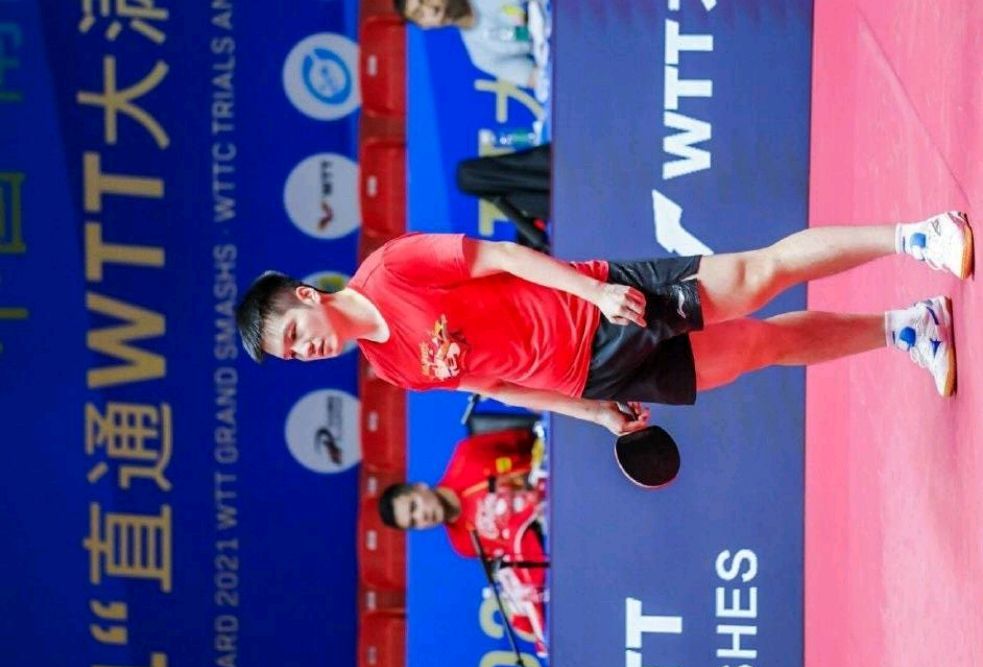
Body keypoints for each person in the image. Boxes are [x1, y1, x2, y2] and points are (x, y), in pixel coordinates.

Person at [235, 212, 974, 435]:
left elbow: (501, 256)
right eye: (293, 358)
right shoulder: (391, 368)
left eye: (294, 335)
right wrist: (594, 413)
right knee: (759, 348)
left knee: (755, 278)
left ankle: (917, 236)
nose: (307, 351)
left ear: (305, 296)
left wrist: (593, 293)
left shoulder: (392, 268)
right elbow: (499, 385)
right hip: (595, 374)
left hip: (596, 308)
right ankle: (907, 327)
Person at [377, 427, 548, 652]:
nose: (422, 517)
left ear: (419, 487)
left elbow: (537, 435)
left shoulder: (468, 453)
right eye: (414, 522)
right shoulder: (463, 545)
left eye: (414, 507)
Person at [394, 0, 539, 89]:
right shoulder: (480, 55)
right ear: (424, 26)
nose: (431, 9)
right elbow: (535, 78)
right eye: (420, 13)